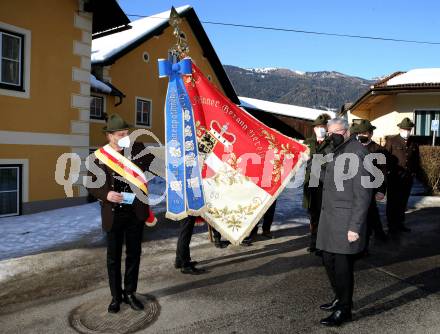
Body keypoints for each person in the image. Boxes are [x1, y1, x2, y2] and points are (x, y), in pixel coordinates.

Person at [86, 113, 154, 314]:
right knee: (113, 258)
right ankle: (116, 297)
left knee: (134, 255)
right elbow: (91, 184)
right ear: (109, 136)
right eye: (120, 134)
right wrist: (106, 194)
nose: (125, 137)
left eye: (126, 133)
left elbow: (158, 164)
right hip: (114, 213)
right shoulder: (98, 157)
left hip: (135, 212)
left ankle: (130, 293)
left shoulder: (138, 149)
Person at [316, 118, 372, 326]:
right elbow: (328, 178)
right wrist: (312, 163)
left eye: (335, 132)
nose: (331, 137)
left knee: (342, 266)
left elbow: (364, 194)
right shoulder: (338, 150)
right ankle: (339, 297)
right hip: (330, 217)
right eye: (329, 133)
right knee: (328, 260)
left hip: (345, 220)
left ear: (347, 131)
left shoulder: (357, 153)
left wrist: (355, 227)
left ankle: (344, 310)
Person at [350, 119, 388, 253]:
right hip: (353, 189)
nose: (362, 135)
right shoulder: (352, 148)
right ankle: (378, 234)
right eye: (360, 133)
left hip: (369, 189)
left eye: (365, 133)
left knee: (365, 217)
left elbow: (382, 173)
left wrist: (381, 190)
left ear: (371, 134)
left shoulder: (378, 150)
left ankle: (363, 247)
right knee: (365, 215)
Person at [303, 113, 333, 253]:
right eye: (317, 127)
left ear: (327, 128)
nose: (320, 129)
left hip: (326, 184)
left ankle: (323, 244)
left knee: (324, 215)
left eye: (323, 126)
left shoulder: (332, 143)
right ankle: (314, 242)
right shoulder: (308, 143)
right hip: (310, 184)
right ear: (314, 128)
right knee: (313, 215)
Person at [385, 117, 419, 234]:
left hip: (407, 178)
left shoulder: (414, 142)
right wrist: (388, 173)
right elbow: (385, 158)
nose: (407, 131)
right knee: (392, 202)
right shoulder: (392, 141)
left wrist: (414, 173)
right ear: (400, 129)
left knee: (403, 202)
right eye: (405, 129)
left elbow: (416, 159)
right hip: (394, 177)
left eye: (409, 129)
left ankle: (400, 223)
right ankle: (391, 225)